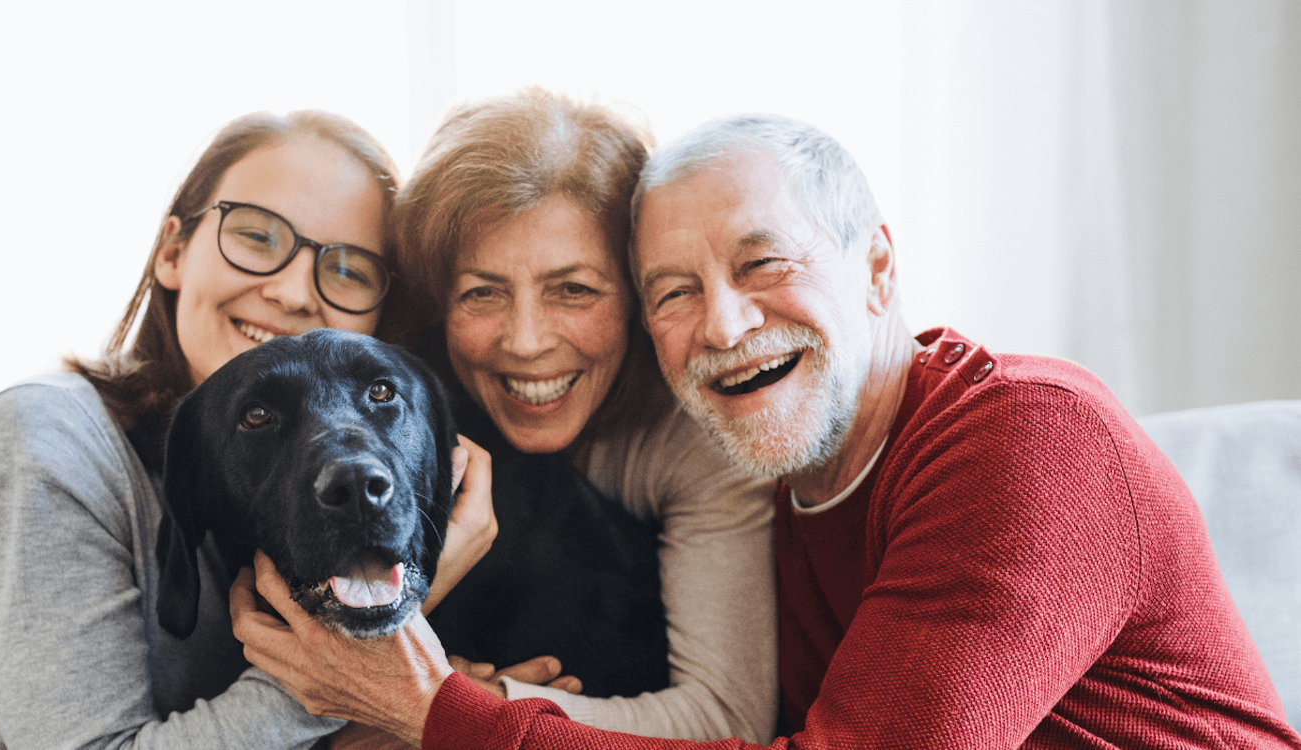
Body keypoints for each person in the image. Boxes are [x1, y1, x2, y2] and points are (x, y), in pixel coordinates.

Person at [230, 113, 1301, 749]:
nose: (727, 325)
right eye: (675, 290)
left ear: (879, 269)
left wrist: (442, 712)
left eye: (765, 264)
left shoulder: (1025, 443)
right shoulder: (764, 462)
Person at [0, 110, 496, 749]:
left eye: (347, 270)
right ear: (171, 253)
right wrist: (386, 633)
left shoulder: (311, 475)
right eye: (258, 237)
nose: (291, 292)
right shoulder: (43, 439)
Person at [366, 88, 775, 743]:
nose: (526, 341)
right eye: (483, 292)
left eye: (574, 290)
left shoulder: (701, 428)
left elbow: (726, 720)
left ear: (641, 291)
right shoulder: (394, 399)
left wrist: (474, 704)